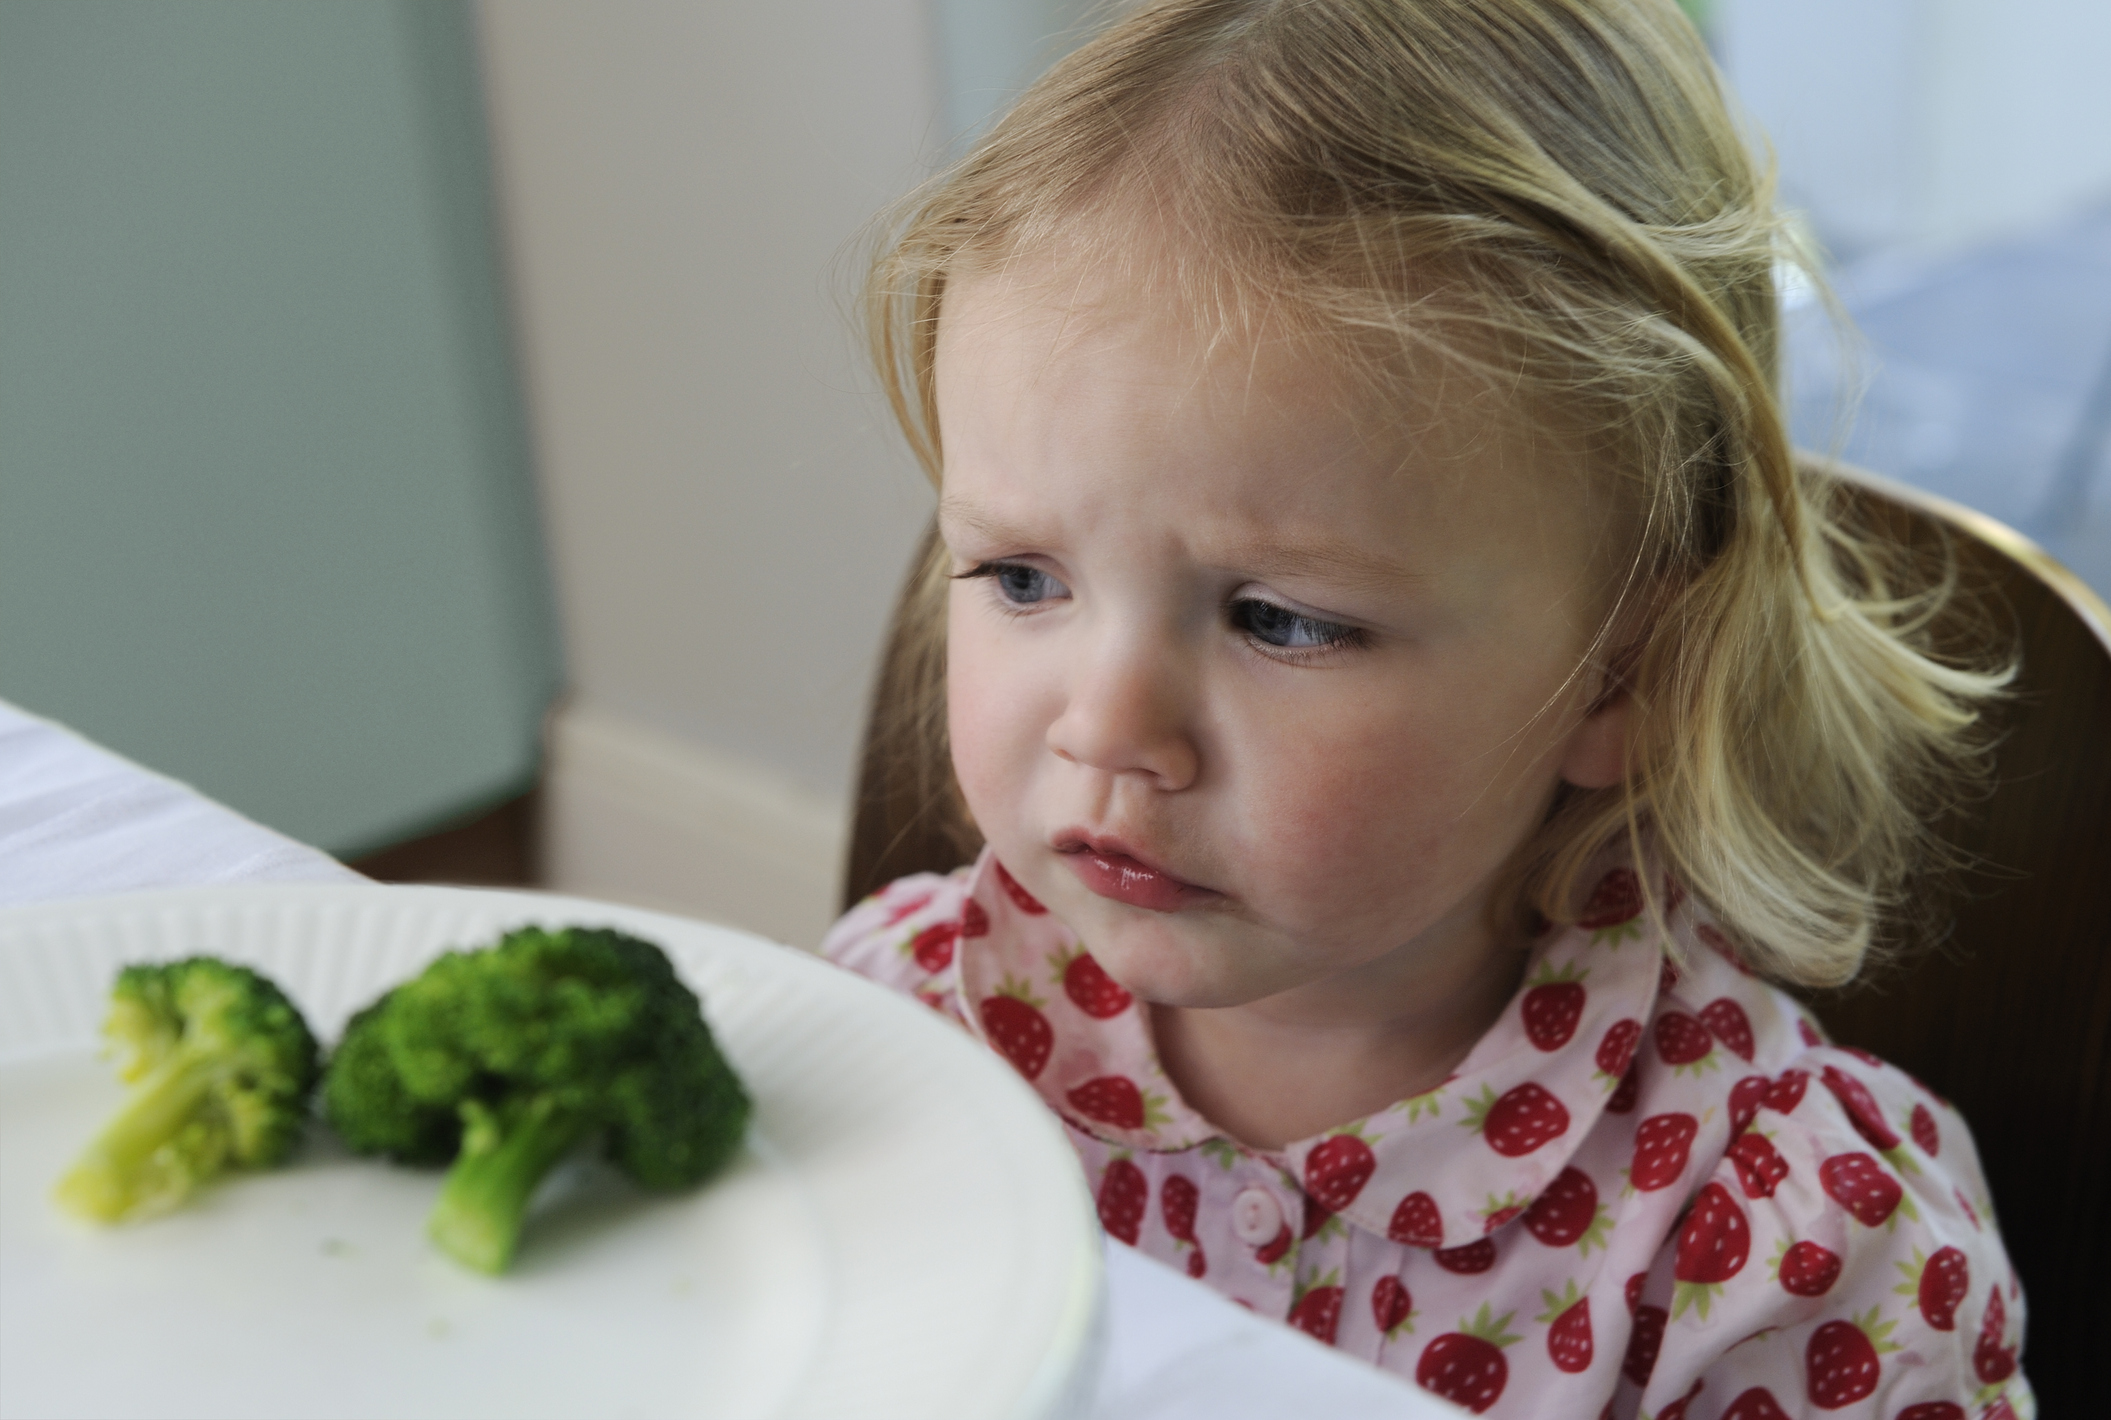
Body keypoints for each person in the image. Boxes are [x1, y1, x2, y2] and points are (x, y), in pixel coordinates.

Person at [822, 1, 2034, 1413]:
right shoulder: (896, 1032)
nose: (1105, 728)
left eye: (1280, 618)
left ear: (1629, 670)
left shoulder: (1786, 1257)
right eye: (1023, 577)